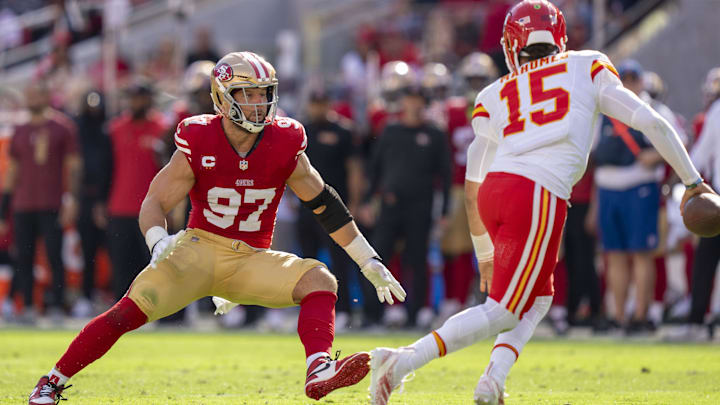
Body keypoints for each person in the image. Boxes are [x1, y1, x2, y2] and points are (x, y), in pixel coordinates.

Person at [368, 1, 716, 405]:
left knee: (540, 296)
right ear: (560, 38)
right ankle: (401, 361)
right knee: (503, 310)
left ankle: (492, 380)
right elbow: (653, 123)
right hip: (536, 193)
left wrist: (483, 252)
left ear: (512, 46)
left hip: (500, 191)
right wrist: (694, 182)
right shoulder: (586, 66)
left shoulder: (495, 92)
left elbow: (472, 181)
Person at [27, 51, 405, 405]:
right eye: (247, 94)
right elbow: (155, 202)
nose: (258, 104)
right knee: (126, 312)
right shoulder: (198, 136)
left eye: (264, 95)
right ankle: (52, 381)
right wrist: (158, 241)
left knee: (319, 280)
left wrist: (366, 259)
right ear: (222, 98)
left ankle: (318, 368)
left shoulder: (285, 140)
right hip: (197, 250)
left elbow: (325, 204)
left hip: (252, 258)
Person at [361, 66, 451, 328]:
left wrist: (443, 211)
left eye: (418, 100)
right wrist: (367, 200)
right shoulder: (390, 130)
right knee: (378, 258)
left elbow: (444, 176)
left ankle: (416, 312)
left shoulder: (434, 134)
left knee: (417, 259)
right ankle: (373, 313)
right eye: (409, 100)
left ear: (424, 103)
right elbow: (374, 169)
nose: (413, 105)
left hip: (420, 206)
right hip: (390, 204)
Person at [0, 82, 81, 323]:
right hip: (23, 202)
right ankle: (26, 306)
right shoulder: (21, 130)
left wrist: (72, 198)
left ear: (47, 96)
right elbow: (12, 171)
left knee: (54, 255)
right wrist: (4, 210)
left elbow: (74, 166)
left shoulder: (62, 127)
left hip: (51, 201)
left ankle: (57, 305)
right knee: (23, 256)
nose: (33, 98)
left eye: (37, 94)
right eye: (30, 94)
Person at [105, 81, 167, 301]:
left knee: (155, 265)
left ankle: (158, 311)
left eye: (140, 97)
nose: (135, 102)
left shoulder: (162, 128)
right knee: (121, 265)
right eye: (132, 97)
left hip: (152, 210)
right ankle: (121, 313)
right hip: (119, 206)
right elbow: (106, 169)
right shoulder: (115, 128)